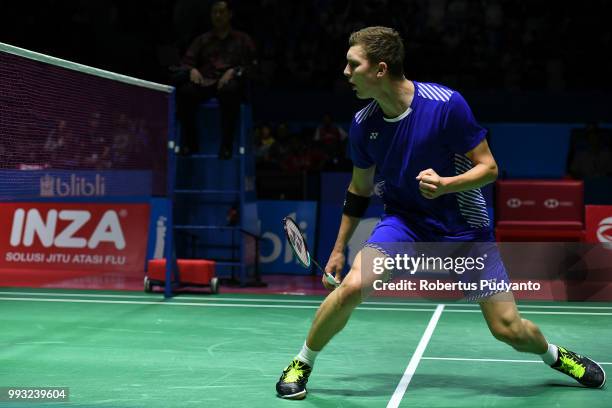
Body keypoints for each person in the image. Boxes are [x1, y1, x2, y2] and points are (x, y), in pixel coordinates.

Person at [275, 26, 606, 400]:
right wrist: (338, 250)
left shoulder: (446, 105)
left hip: (465, 230)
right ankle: (302, 362)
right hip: (404, 223)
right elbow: (359, 189)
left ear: (381, 69)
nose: (346, 73)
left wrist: (447, 184)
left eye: (353, 65)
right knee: (351, 287)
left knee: (507, 329)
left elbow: (490, 169)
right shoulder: (363, 124)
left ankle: (556, 356)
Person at [175, 0, 256, 159]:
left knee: (231, 91)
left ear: (230, 14)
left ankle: (226, 146)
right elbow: (186, 62)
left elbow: (252, 66)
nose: (217, 16)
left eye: (221, 11)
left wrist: (234, 71)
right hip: (206, 82)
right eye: (214, 12)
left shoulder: (242, 39)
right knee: (185, 92)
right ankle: (191, 143)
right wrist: (192, 70)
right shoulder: (202, 40)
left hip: (230, 84)